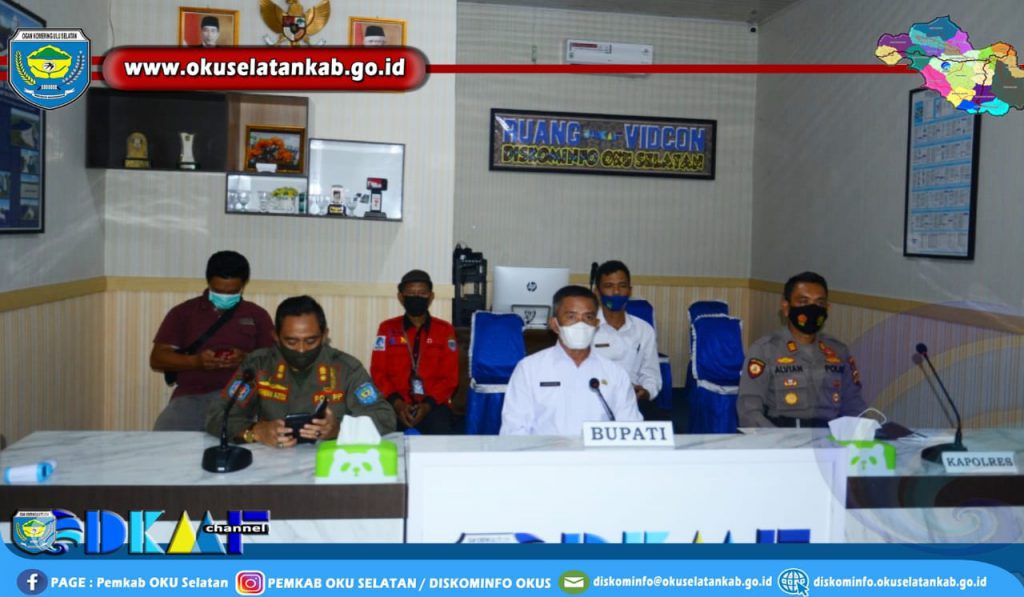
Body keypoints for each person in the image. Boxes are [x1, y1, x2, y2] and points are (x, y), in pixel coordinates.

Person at [206, 295, 396, 447]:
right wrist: (255, 431)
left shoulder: (347, 368)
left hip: (330, 460)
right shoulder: (258, 365)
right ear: (276, 337)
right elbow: (217, 416)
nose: (301, 349)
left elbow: (385, 417)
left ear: (324, 335)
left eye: (311, 340)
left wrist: (339, 430)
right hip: (272, 461)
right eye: (291, 341)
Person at [151, 251, 273, 431]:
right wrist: (196, 362)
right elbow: (157, 359)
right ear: (208, 283)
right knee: (165, 437)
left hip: (241, 397)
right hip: (191, 397)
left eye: (232, 292)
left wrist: (245, 359)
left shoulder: (257, 315)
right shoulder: (183, 313)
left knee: (247, 438)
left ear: (243, 285)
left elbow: (274, 362)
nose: (225, 296)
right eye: (219, 291)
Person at [501, 285, 642, 435]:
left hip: (598, 451)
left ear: (596, 325)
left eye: (588, 317)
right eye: (571, 317)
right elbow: (514, 430)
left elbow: (631, 430)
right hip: (544, 450)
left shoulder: (616, 374)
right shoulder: (529, 369)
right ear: (554, 324)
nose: (580, 324)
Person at [737, 272, 866, 428]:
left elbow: (854, 406)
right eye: (803, 302)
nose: (812, 309)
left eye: (819, 303)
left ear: (827, 308)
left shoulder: (839, 351)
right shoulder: (765, 350)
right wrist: (776, 439)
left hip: (829, 436)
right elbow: (749, 411)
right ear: (786, 307)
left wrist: (860, 432)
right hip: (781, 435)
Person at [371, 270, 459, 434]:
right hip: (395, 405)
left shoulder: (445, 330)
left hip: (433, 406)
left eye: (422, 293)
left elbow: (450, 378)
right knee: (380, 433)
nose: (416, 297)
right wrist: (398, 404)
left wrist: (427, 406)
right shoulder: (387, 328)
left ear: (431, 297)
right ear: (401, 297)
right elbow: (378, 372)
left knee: (441, 433)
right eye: (411, 293)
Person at [590, 260, 662, 418]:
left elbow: (651, 374)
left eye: (622, 286)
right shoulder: (587, 329)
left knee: (667, 426)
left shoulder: (644, 330)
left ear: (629, 291)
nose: (616, 292)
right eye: (609, 286)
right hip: (593, 401)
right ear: (597, 292)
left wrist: (646, 391)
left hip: (633, 402)